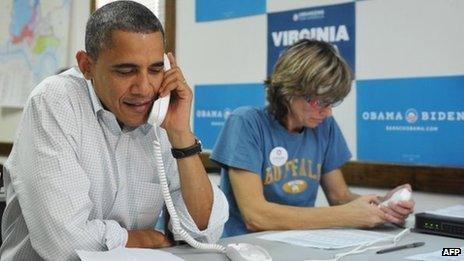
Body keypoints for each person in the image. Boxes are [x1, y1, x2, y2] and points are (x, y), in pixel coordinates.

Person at [0, 1, 228, 260]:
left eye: (155, 69)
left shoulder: (160, 114)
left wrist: (180, 134)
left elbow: (204, 231)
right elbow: (63, 245)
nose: (144, 88)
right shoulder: (55, 100)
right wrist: (137, 238)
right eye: (126, 71)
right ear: (86, 66)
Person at [211, 39, 415, 237]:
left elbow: (339, 197)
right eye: (319, 102)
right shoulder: (247, 122)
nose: (327, 113)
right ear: (288, 90)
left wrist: (384, 205)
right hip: (243, 247)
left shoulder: (324, 126)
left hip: (298, 243)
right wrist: (346, 216)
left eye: (331, 103)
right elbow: (256, 216)